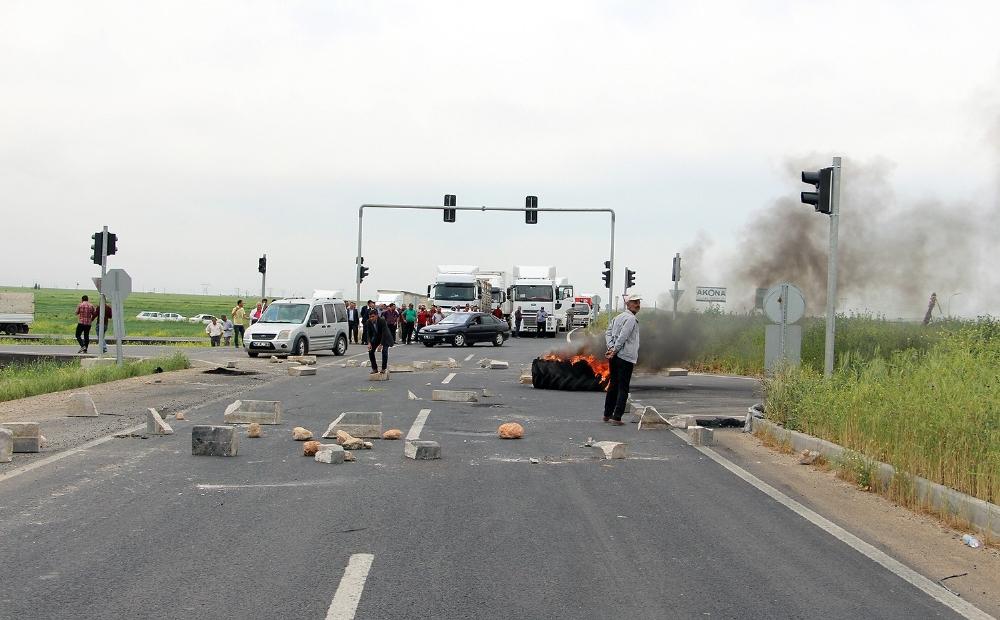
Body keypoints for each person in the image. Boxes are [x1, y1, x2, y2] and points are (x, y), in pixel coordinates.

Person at [603, 294, 642, 426]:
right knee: (623, 387)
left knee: (613, 384)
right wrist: (614, 349)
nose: (637, 304)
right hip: (625, 357)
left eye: (638, 302)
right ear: (628, 304)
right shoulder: (631, 319)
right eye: (634, 302)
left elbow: (607, 333)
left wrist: (611, 348)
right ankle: (617, 417)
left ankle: (607, 414)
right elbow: (623, 336)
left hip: (615, 356)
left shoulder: (617, 317)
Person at [366, 308, 393, 374]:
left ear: (377, 316)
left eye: (373, 316)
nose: (371, 318)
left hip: (385, 337)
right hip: (376, 337)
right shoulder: (368, 322)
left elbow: (384, 333)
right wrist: (369, 343)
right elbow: (368, 333)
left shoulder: (382, 320)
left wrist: (381, 345)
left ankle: (383, 368)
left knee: (384, 351)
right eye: (370, 317)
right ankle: (374, 368)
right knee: (371, 351)